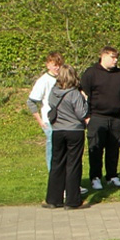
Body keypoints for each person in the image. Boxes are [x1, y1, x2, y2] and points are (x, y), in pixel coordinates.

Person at [80, 45, 120, 190]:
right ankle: (95, 177)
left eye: (117, 58)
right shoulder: (91, 73)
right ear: (103, 56)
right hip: (96, 117)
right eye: (112, 57)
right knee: (96, 148)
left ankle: (112, 176)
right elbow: (81, 96)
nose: (115, 60)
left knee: (114, 148)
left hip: (115, 118)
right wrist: (86, 116)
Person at [43, 64, 89, 210]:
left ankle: (53, 199)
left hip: (57, 130)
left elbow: (50, 105)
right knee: (73, 164)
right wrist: (86, 101)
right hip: (74, 130)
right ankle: (72, 200)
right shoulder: (74, 93)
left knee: (57, 164)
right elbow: (81, 113)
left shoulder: (54, 91)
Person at [27, 51, 64, 171]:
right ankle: (55, 180)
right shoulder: (43, 81)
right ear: (48, 65)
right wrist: (40, 121)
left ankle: (69, 182)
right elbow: (31, 101)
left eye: (59, 65)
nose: (57, 68)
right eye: (54, 65)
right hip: (50, 121)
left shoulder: (63, 78)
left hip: (64, 120)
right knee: (53, 151)